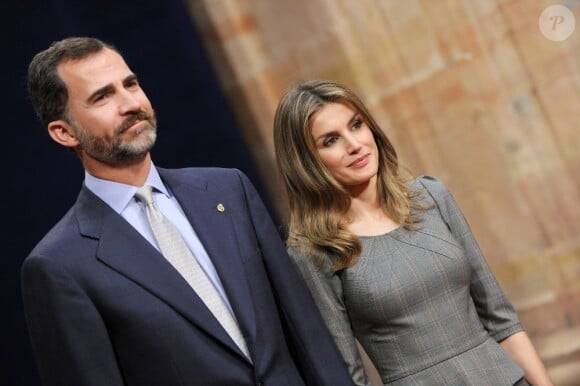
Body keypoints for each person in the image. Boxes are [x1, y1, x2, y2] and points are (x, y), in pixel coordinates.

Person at [22, 38, 354, 386]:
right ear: (64, 132)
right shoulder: (59, 266)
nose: (130, 103)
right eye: (102, 96)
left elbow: (309, 336)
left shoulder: (229, 190)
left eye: (130, 84)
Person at [272, 80, 554, 386]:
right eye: (330, 141)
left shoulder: (430, 196)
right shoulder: (313, 251)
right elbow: (347, 375)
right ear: (305, 162)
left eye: (356, 125)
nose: (354, 144)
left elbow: (502, 320)